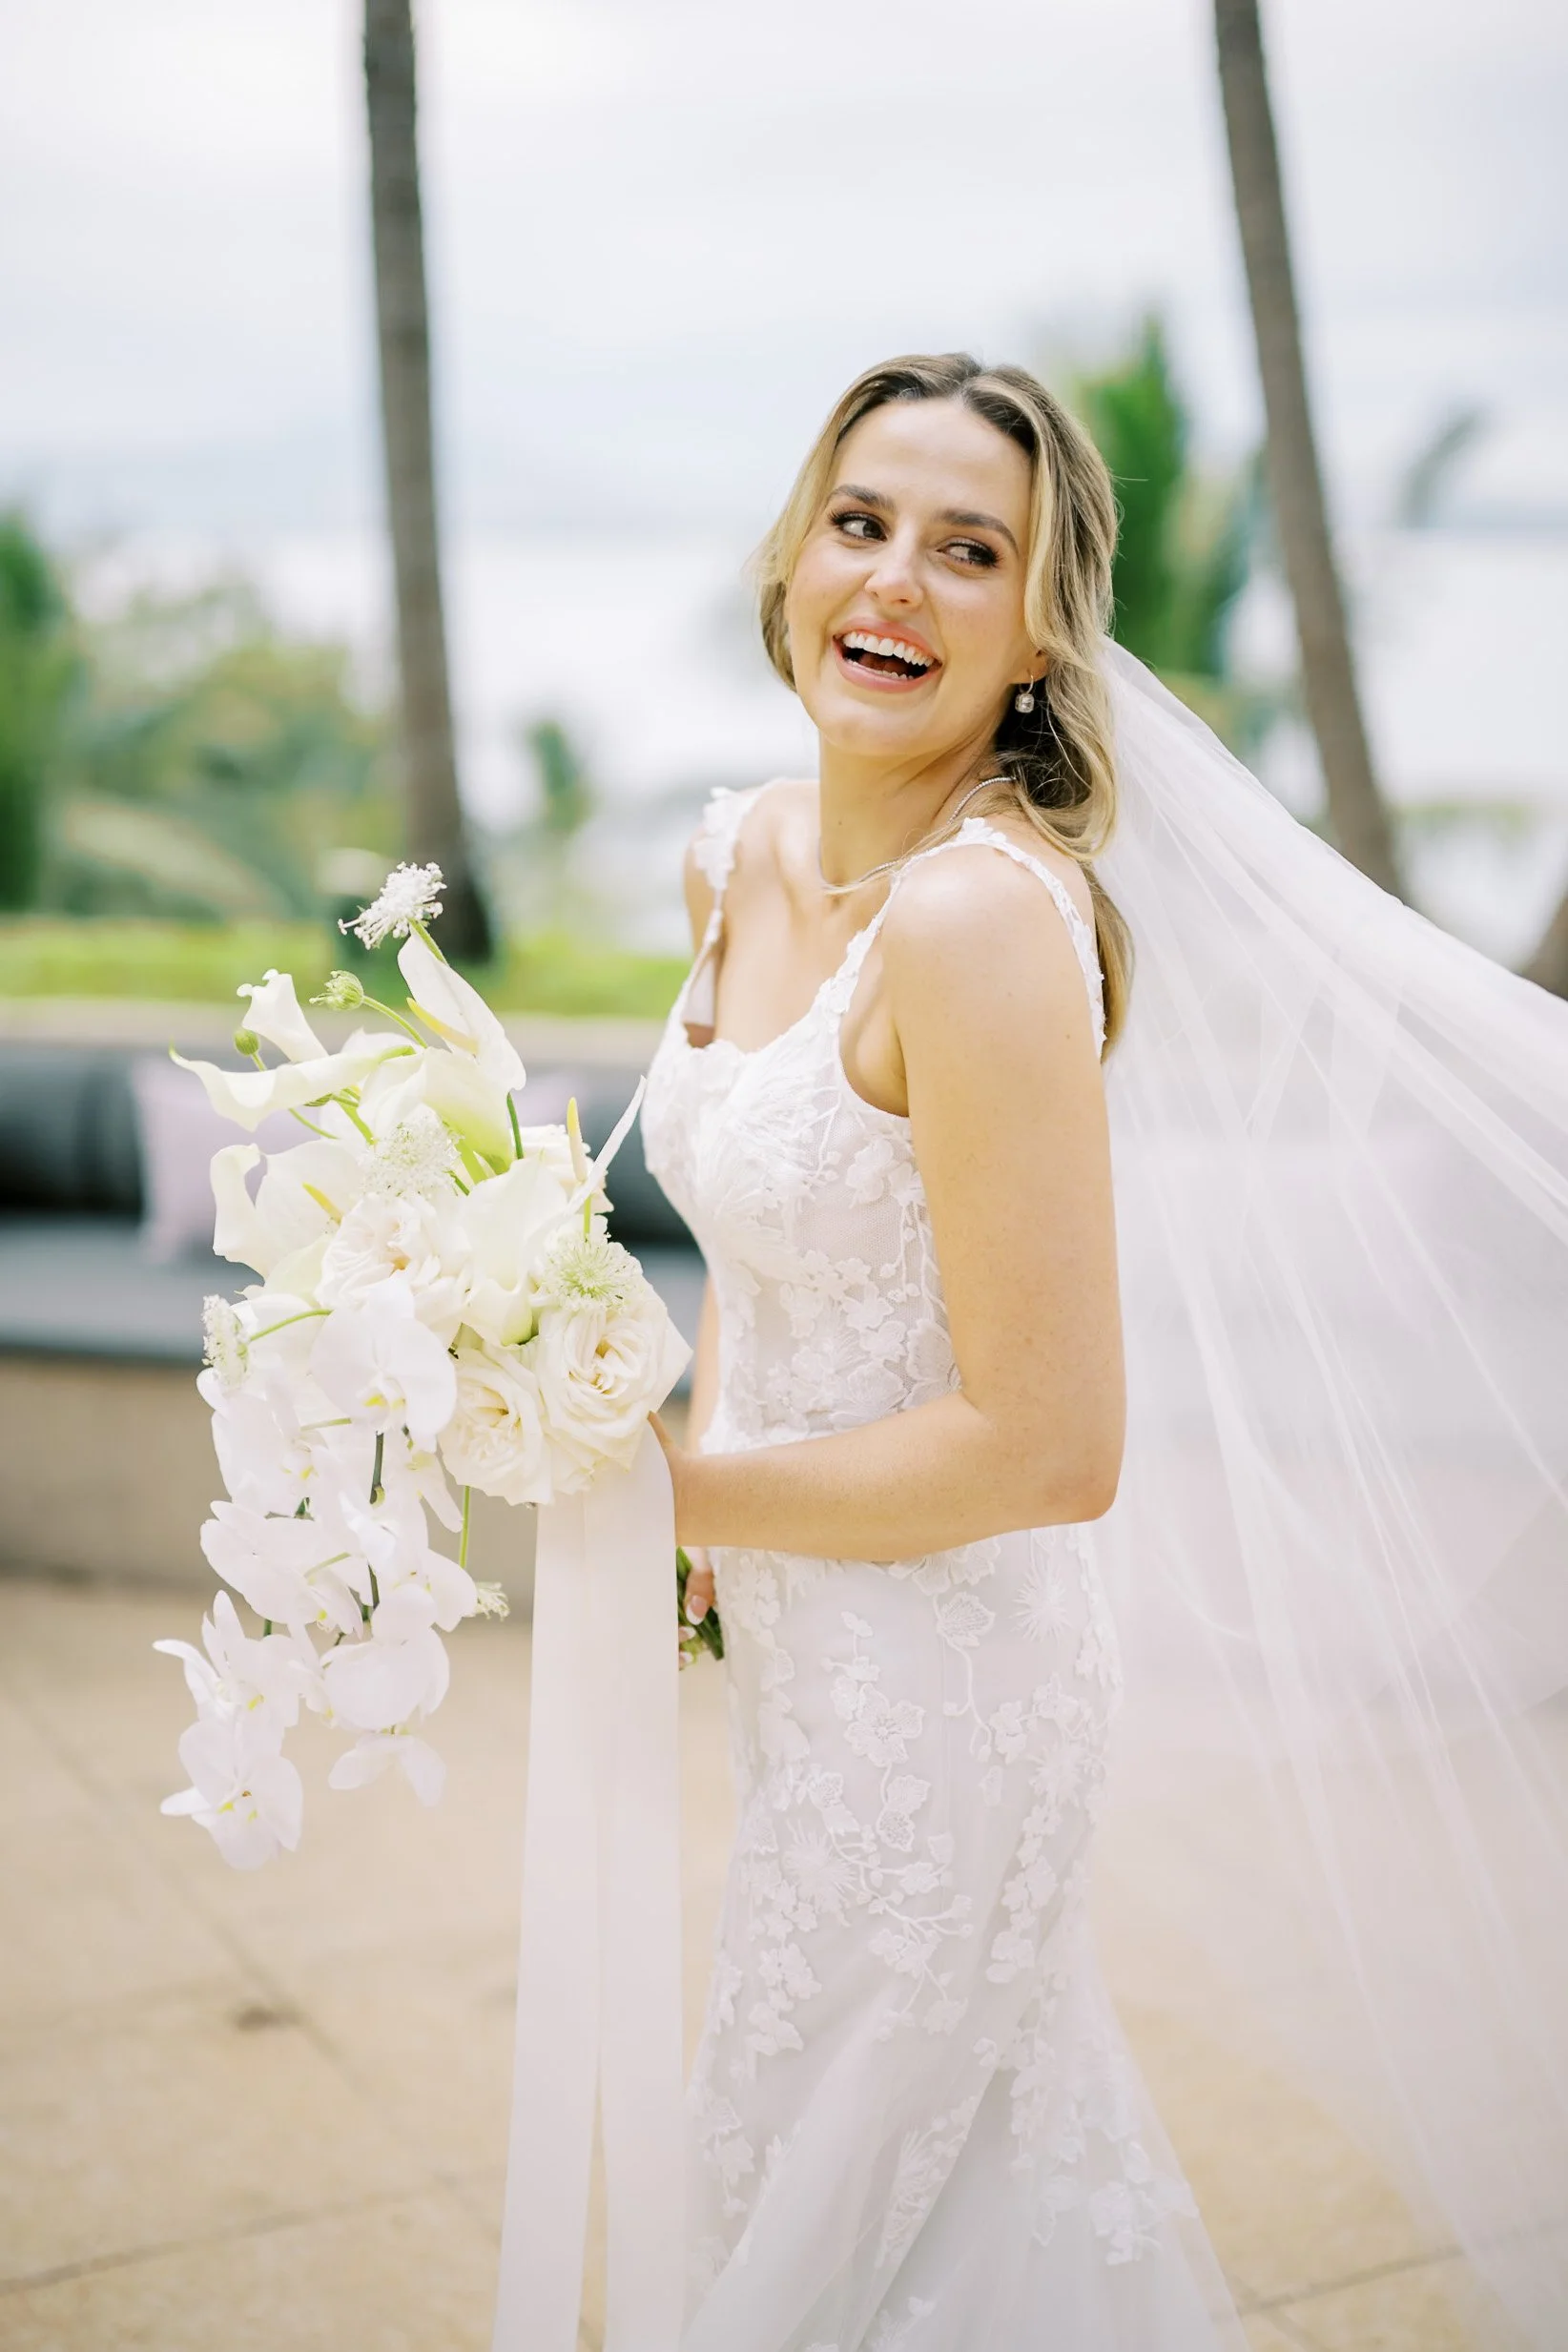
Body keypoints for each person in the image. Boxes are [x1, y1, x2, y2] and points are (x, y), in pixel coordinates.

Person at [642, 355, 1568, 2349]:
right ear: (796, 557)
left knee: (815, 2223)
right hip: (808, 1646)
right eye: (863, 523)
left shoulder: (981, 927)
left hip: (951, 1688)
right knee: (920, 2191)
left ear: (1042, 638)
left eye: (969, 551)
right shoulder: (736, 858)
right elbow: (762, 1228)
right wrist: (714, 1492)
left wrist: (679, 1494)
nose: (896, 582)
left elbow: (1052, 1445)